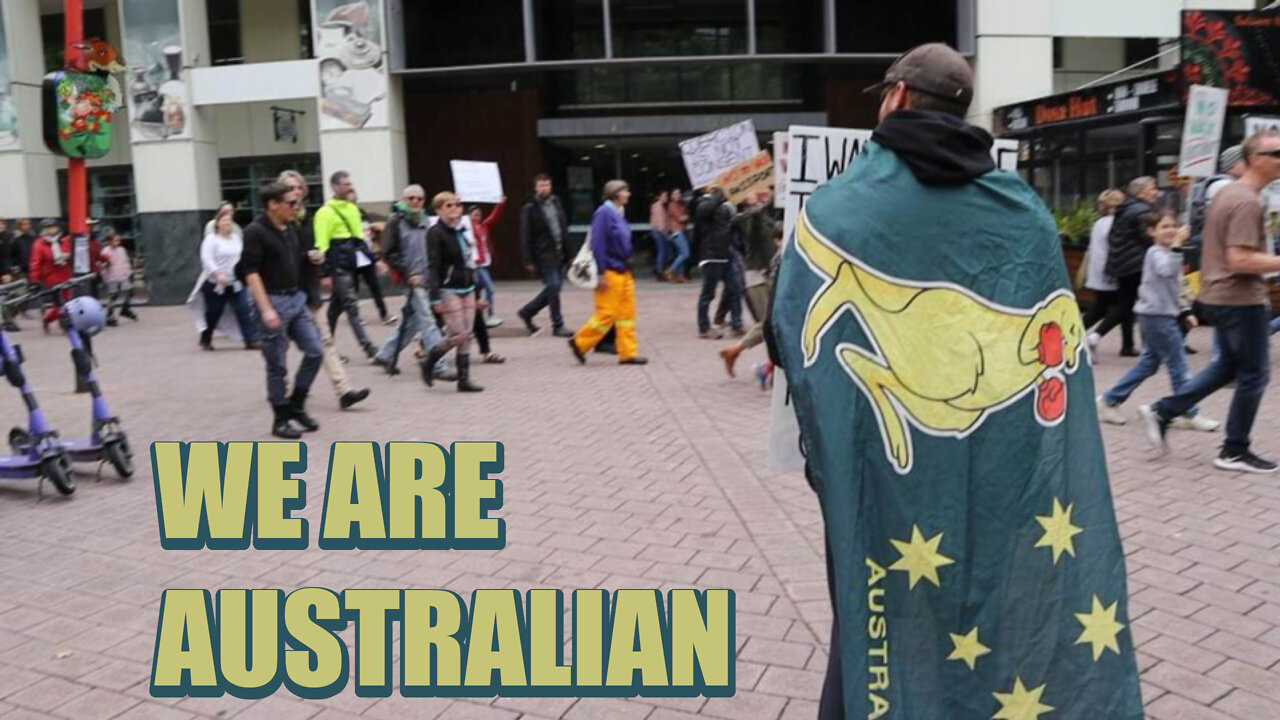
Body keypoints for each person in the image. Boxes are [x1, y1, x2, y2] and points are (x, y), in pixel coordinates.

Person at [769, 43, 1142, 719]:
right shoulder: (1021, 207)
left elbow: (788, 326)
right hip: (998, 459)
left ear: (900, 98)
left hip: (886, 465)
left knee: (877, 585)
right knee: (984, 589)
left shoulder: (839, 206)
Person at [1139, 129, 1280, 473]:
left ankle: (1165, 410)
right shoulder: (1246, 200)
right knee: (1255, 375)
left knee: (1227, 367)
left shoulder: (1231, 193)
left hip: (1219, 295)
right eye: (1276, 154)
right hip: (1239, 297)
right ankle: (1234, 449)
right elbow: (1239, 260)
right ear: (1255, 160)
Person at [1096, 210, 1219, 431]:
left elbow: (1176, 285)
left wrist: (1185, 310)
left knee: (1148, 364)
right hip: (1157, 317)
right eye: (1164, 226)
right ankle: (1189, 413)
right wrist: (1177, 246)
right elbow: (1166, 270)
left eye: (1173, 225)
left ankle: (1109, 400)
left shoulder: (1169, 251)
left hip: (1159, 315)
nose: (1171, 230)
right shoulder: (1156, 253)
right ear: (1151, 231)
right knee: (1178, 366)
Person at [238, 182, 325, 439]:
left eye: (297, 203)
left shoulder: (289, 229)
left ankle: (296, 404)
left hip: (295, 299)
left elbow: (294, 260)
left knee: (315, 351)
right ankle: (280, 420)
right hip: (273, 302)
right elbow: (250, 272)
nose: (296, 208)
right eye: (291, 203)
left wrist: (311, 258)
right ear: (273, 205)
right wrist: (265, 309)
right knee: (277, 365)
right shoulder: (255, 232)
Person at [278, 170, 369, 411]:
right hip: (284, 294)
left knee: (325, 341)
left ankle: (344, 391)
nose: (295, 192)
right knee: (281, 344)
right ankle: (283, 390)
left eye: (298, 187)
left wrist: (320, 264)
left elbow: (319, 244)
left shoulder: (309, 218)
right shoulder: (278, 222)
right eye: (289, 188)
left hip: (308, 290)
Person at [374, 184, 450, 378]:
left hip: (427, 278)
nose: (415, 202)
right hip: (411, 280)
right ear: (404, 200)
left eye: (419, 198)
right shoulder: (396, 221)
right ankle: (438, 365)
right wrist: (408, 274)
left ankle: (385, 354)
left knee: (411, 324)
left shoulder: (426, 219)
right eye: (411, 198)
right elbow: (389, 253)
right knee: (427, 320)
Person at [568, 180, 647, 366]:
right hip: (610, 270)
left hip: (623, 269)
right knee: (607, 314)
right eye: (625, 191)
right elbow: (598, 244)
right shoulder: (604, 213)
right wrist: (601, 273)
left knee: (627, 314)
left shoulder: (618, 212)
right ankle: (579, 342)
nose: (628, 194)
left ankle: (628, 353)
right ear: (616, 193)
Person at [421, 192, 485, 392]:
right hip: (448, 289)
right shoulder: (435, 233)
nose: (453, 209)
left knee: (467, 334)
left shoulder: (462, 230)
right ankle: (430, 361)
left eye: (456, 205)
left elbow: (469, 262)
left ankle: (464, 380)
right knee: (459, 334)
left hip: (468, 287)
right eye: (448, 206)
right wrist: (434, 297)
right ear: (438, 210)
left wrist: (478, 291)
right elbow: (432, 266)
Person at [1090, 176, 1159, 356]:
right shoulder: (1141, 210)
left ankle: (1127, 345)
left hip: (1119, 265)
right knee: (1140, 304)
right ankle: (1097, 335)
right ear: (1142, 191)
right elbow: (1148, 238)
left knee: (1123, 305)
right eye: (1152, 188)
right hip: (1134, 265)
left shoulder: (1123, 212)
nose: (1156, 192)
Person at [313, 171, 378, 358]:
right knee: (351, 306)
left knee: (335, 309)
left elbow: (359, 240)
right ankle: (369, 348)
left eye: (350, 183)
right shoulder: (325, 212)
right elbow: (321, 245)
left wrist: (375, 260)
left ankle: (326, 347)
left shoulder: (352, 209)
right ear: (335, 187)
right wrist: (324, 274)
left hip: (351, 265)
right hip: (337, 267)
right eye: (345, 184)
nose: (349, 186)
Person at [720, 215, 781, 377]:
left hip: (765, 277)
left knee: (771, 324)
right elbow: (754, 223)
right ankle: (739, 352)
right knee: (769, 324)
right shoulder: (751, 220)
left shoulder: (768, 218)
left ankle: (740, 353)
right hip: (758, 278)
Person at [188, 208, 257, 350]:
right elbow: (207, 258)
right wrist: (217, 273)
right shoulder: (211, 239)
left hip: (236, 282)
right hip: (216, 284)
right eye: (224, 220)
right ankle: (206, 338)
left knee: (244, 309)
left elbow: (241, 256)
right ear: (217, 223)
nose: (227, 223)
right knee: (214, 312)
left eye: (229, 221)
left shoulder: (236, 239)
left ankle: (251, 340)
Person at [517, 173, 573, 337]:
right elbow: (525, 235)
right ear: (536, 187)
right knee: (554, 286)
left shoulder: (556, 202)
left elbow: (563, 228)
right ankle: (558, 324)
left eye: (547, 185)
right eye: (541, 185)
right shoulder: (529, 208)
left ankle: (527, 312)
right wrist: (528, 259)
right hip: (544, 254)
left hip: (560, 251)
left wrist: (570, 253)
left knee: (553, 288)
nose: (544, 188)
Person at [695, 187, 743, 339]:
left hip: (725, 254)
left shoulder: (723, 206)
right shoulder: (703, 202)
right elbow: (704, 211)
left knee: (735, 289)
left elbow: (730, 227)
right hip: (711, 255)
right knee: (708, 294)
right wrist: (718, 196)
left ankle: (737, 324)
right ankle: (704, 328)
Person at [1080, 189, 1126, 338]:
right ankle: (1089, 335)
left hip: (1099, 270)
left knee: (1101, 306)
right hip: (1111, 271)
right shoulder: (1116, 223)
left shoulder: (1099, 223)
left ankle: (1073, 333)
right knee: (1120, 307)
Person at [345, 188, 393, 325]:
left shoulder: (361, 213)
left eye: (354, 200)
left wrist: (371, 233)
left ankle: (384, 314)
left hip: (366, 257)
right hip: (353, 257)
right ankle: (354, 317)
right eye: (350, 201)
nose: (353, 203)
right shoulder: (344, 216)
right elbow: (354, 239)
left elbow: (365, 231)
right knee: (353, 289)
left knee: (375, 286)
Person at [468, 197, 507, 326]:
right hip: (476, 263)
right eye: (474, 215)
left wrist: (500, 204)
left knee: (477, 290)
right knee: (489, 289)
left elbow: (493, 217)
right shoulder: (468, 228)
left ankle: (478, 316)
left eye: (479, 215)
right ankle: (489, 315)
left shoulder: (483, 226)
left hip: (484, 262)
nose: (477, 217)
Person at [98, 227, 137, 326]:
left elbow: (125, 261)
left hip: (123, 275)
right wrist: (105, 274)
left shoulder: (121, 250)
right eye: (116, 240)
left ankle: (125, 308)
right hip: (112, 276)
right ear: (109, 241)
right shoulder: (105, 252)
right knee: (113, 296)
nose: (118, 242)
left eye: (119, 240)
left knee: (130, 290)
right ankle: (109, 315)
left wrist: (129, 272)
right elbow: (101, 265)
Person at [665, 188, 691, 282]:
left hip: (679, 231)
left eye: (679, 194)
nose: (678, 195)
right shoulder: (672, 205)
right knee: (686, 253)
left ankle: (678, 276)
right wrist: (687, 216)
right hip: (676, 232)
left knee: (680, 253)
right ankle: (671, 270)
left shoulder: (679, 205)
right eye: (675, 194)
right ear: (671, 196)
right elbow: (681, 218)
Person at [648, 191, 670, 280]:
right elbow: (660, 221)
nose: (666, 198)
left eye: (666, 196)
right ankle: (659, 271)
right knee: (662, 251)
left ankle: (659, 268)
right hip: (659, 231)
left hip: (657, 231)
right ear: (659, 196)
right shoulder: (658, 206)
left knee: (663, 251)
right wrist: (665, 234)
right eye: (664, 196)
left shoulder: (658, 206)